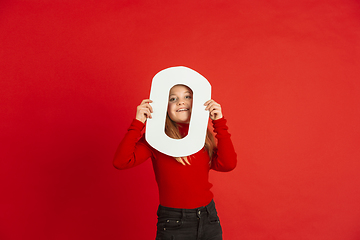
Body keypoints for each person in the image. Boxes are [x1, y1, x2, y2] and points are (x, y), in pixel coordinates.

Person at [113, 84, 237, 240]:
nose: (181, 102)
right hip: (174, 221)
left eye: (187, 96)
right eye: (173, 98)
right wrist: (138, 123)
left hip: (208, 217)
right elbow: (122, 161)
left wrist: (219, 123)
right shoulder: (155, 140)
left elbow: (228, 164)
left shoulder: (203, 137)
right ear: (164, 106)